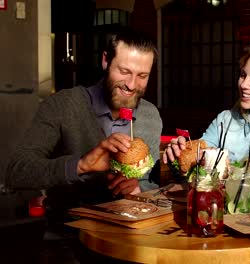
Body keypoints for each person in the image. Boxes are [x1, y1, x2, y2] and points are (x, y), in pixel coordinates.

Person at [6, 29, 162, 212]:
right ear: (105, 60)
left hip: (129, 231)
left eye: (142, 76)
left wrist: (138, 188)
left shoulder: (150, 115)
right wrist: (81, 165)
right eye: (124, 71)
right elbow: (17, 171)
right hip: (69, 232)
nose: (132, 84)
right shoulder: (63, 105)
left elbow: (152, 184)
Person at [162, 45, 250, 187]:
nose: (243, 84)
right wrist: (180, 154)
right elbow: (198, 158)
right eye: (243, 75)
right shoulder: (225, 120)